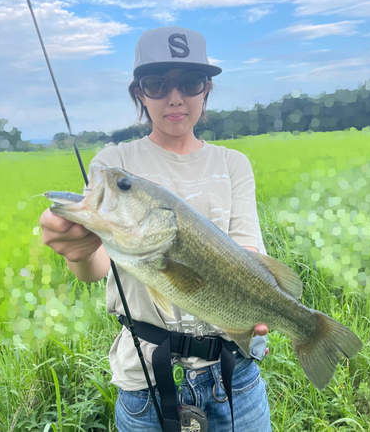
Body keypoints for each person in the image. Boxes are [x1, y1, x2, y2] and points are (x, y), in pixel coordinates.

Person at [40, 26, 272, 432]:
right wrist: (77, 252)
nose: (175, 97)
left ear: (207, 89)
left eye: (190, 82)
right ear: (139, 93)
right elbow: (96, 266)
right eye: (156, 84)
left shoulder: (233, 163)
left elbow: (247, 252)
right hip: (144, 382)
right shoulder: (115, 164)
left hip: (233, 378)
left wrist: (263, 302)